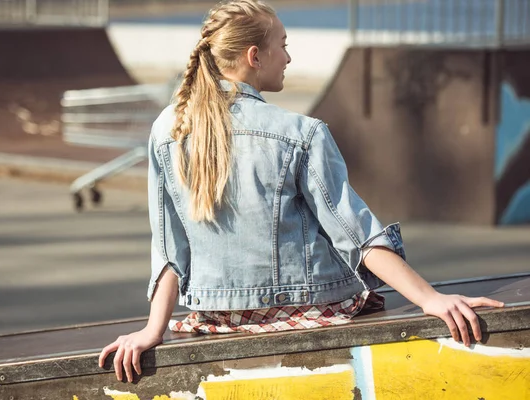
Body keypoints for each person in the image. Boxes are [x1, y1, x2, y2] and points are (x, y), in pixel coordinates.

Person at [99, 0, 504, 382]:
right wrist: (430, 299)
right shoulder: (301, 133)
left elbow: (170, 248)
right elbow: (356, 236)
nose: (289, 58)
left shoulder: (168, 130)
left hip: (218, 317)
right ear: (254, 57)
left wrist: (153, 330)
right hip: (311, 308)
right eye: (283, 46)